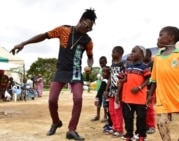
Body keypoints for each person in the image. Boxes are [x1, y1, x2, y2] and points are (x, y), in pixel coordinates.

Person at [10, 8, 97, 141]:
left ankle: (72, 130)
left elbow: (90, 57)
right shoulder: (64, 30)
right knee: (52, 99)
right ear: (81, 20)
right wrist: (24, 43)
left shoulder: (87, 41)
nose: (87, 29)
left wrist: (90, 66)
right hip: (61, 70)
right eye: (87, 26)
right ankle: (56, 122)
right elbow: (44, 36)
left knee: (78, 99)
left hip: (76, 72)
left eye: (90, 28)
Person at [147, 26, 179, 141]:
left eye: (161, 35)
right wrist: (150, 95)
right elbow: (154, 79)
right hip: (163, 97)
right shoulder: (158, 57)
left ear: (171, 37)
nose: (158, 38)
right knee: (162, 123)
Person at [120, 45, 151, 141]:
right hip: (128, 98)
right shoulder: (128, 66)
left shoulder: (145, 67)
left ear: (142, 54)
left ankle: (141, 135)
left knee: (141, 117)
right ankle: (129, 134)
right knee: (128, 117)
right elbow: (126, 78)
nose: (131, 53)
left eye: (134, 51)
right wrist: (122, 79)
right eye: (131, 51)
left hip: (140, 98)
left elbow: (148, 80)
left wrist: (139, 88)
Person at [104, 46, 125, 137]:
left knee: (117, 111)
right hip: (112, 91)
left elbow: (122, 79)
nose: (112, 54)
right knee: (111, 111)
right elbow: (110, 78)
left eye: (113, 52)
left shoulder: (122, 65)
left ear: (119, 53)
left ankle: (120, 130)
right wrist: (106, 89)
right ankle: (115, 127)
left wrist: (118, 93)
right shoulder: (113, 65)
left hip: (118, 91)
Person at [91, 56, 108, 122]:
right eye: (100, 63)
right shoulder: (100, 69)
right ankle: (97, 115)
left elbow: (106, 79)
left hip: (103, 90)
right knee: (98, 103)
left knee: (104, 104)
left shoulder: (106, 69)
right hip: (99, 89)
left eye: (102, 63)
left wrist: (101, 77)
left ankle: (105, 116)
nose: (101, 65)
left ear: (106, 62)